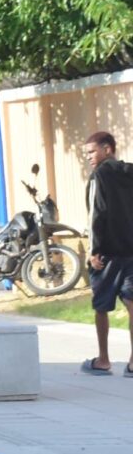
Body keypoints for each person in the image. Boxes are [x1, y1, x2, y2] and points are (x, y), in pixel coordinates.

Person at [79, 131, 133, 375]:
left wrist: (94, 251)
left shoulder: (99, 175)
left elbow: (96, 214)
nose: (89, 157)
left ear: (107, 149)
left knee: (101, 305)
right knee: (132, 304)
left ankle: (103, 360)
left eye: (92, 151)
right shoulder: (130, 171)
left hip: (107, 253)